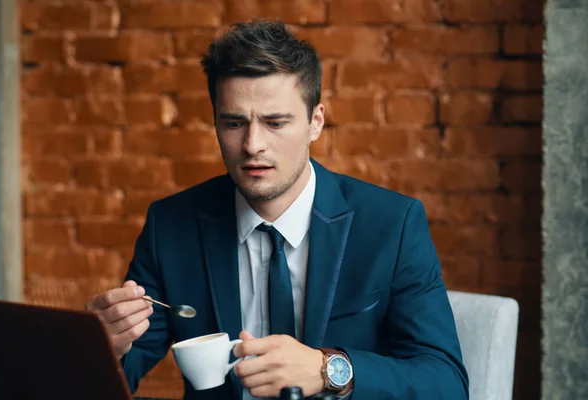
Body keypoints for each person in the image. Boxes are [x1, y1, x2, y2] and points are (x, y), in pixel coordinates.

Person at [85, 19, 469, 400]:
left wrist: (328, 369)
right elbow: (121, 376)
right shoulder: (171, 226)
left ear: (315, 122)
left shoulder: (392, 225)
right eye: (234, 123)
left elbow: (446, 383)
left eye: (275, 122)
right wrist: (100, 347)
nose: (253, 145)